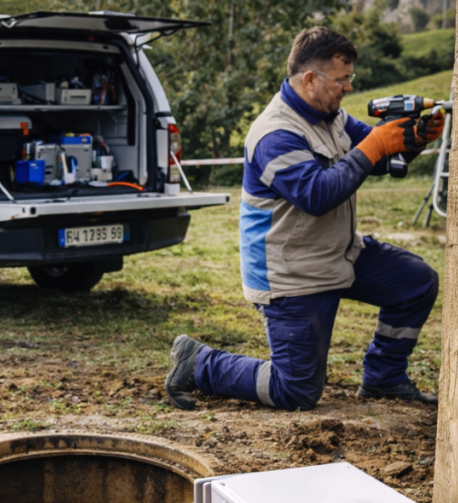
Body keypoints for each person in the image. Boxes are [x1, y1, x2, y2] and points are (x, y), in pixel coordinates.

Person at [165, 27, 444, 412]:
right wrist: (377, 143)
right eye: (341, 79)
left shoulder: (331, 116)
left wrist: (411, 140)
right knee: (295, 390)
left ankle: (384, 378)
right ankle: (200, 363)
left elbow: (374, 157)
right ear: (310, 78)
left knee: (416, 282)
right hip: (292, 273)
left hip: (337, 252)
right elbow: (317, 195)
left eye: (350, 77)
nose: (348, 87)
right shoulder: (274, 134)